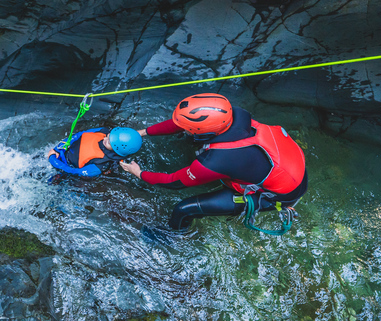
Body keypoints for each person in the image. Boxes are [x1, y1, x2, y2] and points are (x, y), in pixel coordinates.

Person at [120, 93, 308, 230]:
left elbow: (174, 182)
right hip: (287, 165)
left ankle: (173, 239)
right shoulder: (232, 114)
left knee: (184, 208)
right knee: (191, 141)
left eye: (188, 128)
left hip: (280, 195)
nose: (182, 129)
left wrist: (138, 172)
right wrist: (143, 133)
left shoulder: (214, 161)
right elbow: (181, 123)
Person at [48, 127, 143, 178]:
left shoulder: (101, 165)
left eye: (109, 142)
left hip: (64, 166)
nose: (105, 138)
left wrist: (53, 160)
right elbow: (80, 134)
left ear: (116, 149)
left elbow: (74, 172)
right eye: (108, 136)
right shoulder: (103, 131)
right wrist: (58, 148)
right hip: (62, 153)